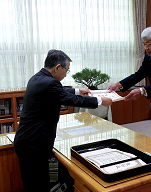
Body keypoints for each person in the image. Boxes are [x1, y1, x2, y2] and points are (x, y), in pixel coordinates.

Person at [14, 49, 112, 192]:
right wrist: (100, 100)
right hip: (34, 147)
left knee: (54, 177)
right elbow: (70, 99)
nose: (66, 74)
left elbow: (59, 92)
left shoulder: (38, 78)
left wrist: (78, 90)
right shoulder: (49, 83)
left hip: (32, 142)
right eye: (67, 70)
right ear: (58, 67)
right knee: (40, 183)